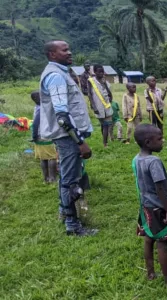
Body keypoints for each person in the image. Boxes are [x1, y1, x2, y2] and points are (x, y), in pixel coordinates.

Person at [40, 40, 96, 236]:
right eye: (64, 50)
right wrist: (80, 142)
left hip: (68, 137)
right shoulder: (55, 76)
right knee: (71, 181)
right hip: (68, 138)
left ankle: (65, 213)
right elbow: (62, 117)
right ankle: (72, 225)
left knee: (66, 176)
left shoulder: (61, 72)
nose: (70, 52)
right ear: (52, 54)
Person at [132, 124, 167, 285]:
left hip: (145, 207)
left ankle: (151, 273)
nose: (162, 141)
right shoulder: (154, 162)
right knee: (162, 243)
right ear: (148, 142)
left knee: (148, 239)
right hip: (158, 208)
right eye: (159, 139)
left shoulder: (137, 159)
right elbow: (159, 187)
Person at [31, 90, 58, 184]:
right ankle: (52, 178)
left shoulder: (37, 108)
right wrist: (34, 135)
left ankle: (46, 179)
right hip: (45, 135)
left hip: (38, 136)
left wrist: (34, 136)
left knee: (43, 158)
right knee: (52, 157)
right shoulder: (42, 109)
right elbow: (35, 124)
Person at [87, 64, 114, 148]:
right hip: (98, 106)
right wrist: (93, 106)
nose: (101, 73)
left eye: (102, 71)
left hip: (106, 106)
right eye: (99, 72)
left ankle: (105, 143)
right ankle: (105, 142)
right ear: (95, 72)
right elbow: (90, 94)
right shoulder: (91, 81)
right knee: (103, 124)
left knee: (106, 124)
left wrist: (104, 83)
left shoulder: (104, 81)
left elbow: (109, 94)